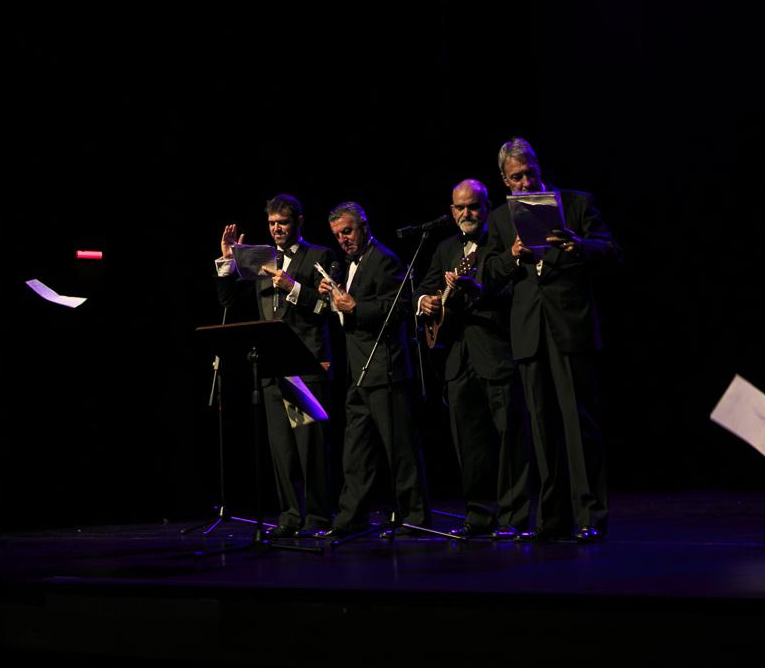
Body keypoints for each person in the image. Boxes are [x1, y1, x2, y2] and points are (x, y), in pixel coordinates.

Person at [483, 137, 621, 543]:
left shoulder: (575, 204)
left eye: (529, 173)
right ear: (505, 180)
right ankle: (552, 519)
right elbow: (489, 275)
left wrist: (578, 245)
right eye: (516, 178)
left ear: (539, 168)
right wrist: (512, 256)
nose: (525, 183)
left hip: (569, 329)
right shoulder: (501, 218)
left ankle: (590, 516)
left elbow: (611, 251)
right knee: (542, 429)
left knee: (578, 424)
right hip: (530, 332)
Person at [415, 179, 530, 539]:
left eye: (474, 206)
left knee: (510, 440)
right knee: (470, 443)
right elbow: (425, 287)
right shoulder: (446, 247)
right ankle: (479, 516)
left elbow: (515, 292)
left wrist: (477, 289)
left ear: (486, 207)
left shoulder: (499, 242)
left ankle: (513, 518)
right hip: (457, 358)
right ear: (452, 211)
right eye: (460, 207)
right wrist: (425, 302)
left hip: (495, 351)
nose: (467, 213)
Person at [215, 194, 335, 537]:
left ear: (298, 221)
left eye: (282, 222)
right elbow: (228, 299)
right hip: (271, 367)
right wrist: (228, 262)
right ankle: (290, 516)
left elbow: (325, 307)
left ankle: (318, 517)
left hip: (305, 364)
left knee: (309, 447)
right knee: (282, 449)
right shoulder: (261, 258)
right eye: (271, 224)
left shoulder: (319, 255)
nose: (277, 229)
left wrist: (293, 287)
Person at [315, 202, 429, 537]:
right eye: (338, 235)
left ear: (364, 227)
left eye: (348, 231)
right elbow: (348, 314)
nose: (343, 239)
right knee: (356, 451)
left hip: (385, 368)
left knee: (400, 449)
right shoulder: (347, 264)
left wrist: (356, 307)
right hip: (359, 371)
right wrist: (333, 298)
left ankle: (415, 517)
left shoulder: (384, 259)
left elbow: (400, 307)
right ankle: (350, 518)